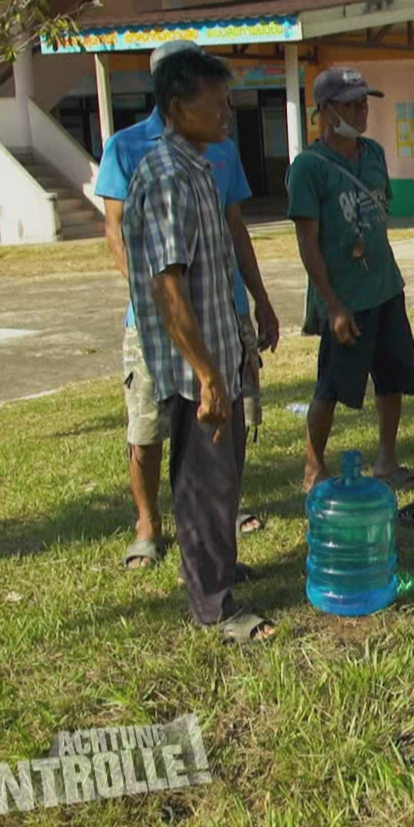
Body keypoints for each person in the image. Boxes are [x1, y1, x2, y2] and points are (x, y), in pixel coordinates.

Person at [98, 39, 279, 571]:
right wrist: (159, 299)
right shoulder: (135, 151)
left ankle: (215, 549)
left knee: (223, 432)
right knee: (152, 426)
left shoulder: (214, 147)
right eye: (216, 97)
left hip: (221, 315)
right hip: (166, 321)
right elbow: (117, 231)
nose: (228, 112)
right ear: (175, 94)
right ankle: (149, 525)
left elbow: (235, 228)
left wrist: (259, 300)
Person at [289, 65, 414, 493]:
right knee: (331, 385)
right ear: (326, 111)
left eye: (364, 103)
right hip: (345, 295)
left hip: (385, 285)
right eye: (350, 104)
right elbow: (308, 242)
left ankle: (387, 460)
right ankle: (314, 469)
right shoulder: (309, 167)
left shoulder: (374, 154)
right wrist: (333, 305)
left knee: (392, 376)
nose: (361, 111)